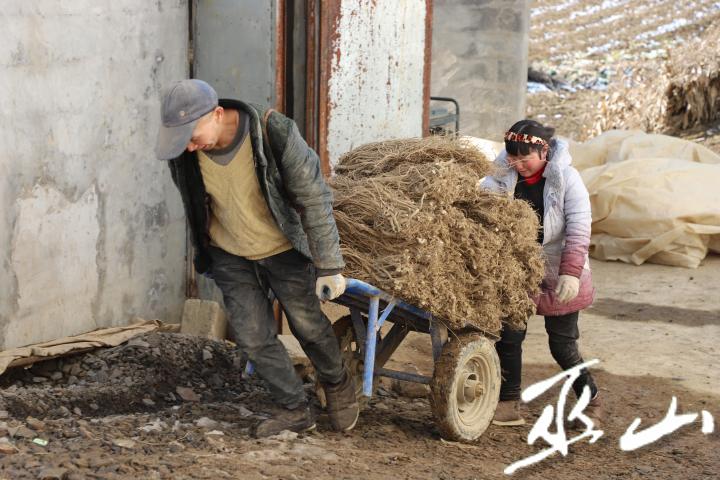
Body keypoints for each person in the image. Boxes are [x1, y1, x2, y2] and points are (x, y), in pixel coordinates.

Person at [154, 79, 358, 437]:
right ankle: (294, 407)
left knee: (307, 326)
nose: (188, 146)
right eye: (181, 138)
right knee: (252, 336)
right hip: (229, 251)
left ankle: (338, 382)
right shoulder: (187, 153)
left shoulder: (272, 131)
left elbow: (314, 197)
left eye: (192, 134)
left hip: (282, 249)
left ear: (218, 114)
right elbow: (197, 203)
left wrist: (330, 265)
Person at [481, 119, 601, 427]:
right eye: (513, 158)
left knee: (562, 345)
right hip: (516, 271)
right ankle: (508, 404)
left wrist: (571, 273)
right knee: (508, 336)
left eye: (525, 158)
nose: (518, 165)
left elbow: (578, 228)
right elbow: (481, 213)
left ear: (543, 152)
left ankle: (591, 401)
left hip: (558, 270)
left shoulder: (568, 179)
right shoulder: (499, 177)